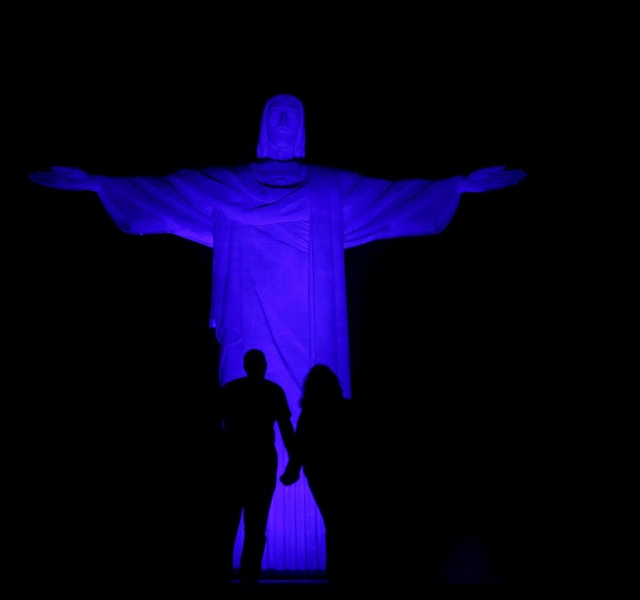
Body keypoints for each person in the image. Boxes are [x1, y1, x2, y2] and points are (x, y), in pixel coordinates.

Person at [28, 93, 527, 571]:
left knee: (315, 428)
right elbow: (169, 192)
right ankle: (248, 562)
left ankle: (313, 554)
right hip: (248, 321)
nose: (284, 125)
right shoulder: (232, 185)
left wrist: (457, 185)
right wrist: (98, 182)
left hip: (313, 328)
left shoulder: (330, 188)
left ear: (302, 127)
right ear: (265, 127)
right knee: (245, 462)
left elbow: (391, 198)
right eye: (276, 116)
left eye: (293, 116)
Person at [218, 348, 295, 589]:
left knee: (227, 524)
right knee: (256, 525)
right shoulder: (273, 391)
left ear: (245, 365)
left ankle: (222, 577)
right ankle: (249, 580)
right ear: (263, 365)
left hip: (232, 465)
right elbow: (285, 430)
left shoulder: (230, 390)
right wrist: (294, 464)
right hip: (262, 466)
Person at [280, 364, 359, 589]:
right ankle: (347, 572)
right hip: (346, 472)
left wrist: (292, 470)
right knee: (346, 521)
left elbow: (301, 443)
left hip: (319, 473)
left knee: (333, 523)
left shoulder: (310, 412)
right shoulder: (347, 408)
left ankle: (336, 573)